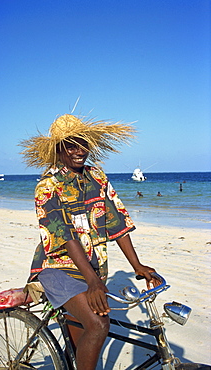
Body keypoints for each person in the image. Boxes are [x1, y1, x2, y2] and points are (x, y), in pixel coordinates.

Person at [20, 114, 159, 370]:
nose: (79, 151)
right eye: (71, 145)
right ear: (58, 149)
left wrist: (137, 265)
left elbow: (117, 221)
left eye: (83, 144)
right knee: (98, 325)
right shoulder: (48, 186)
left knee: (81, 341)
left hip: (93, 269)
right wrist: (93, 281)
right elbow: (65, 236)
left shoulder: (96, 176)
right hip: (58, 269)